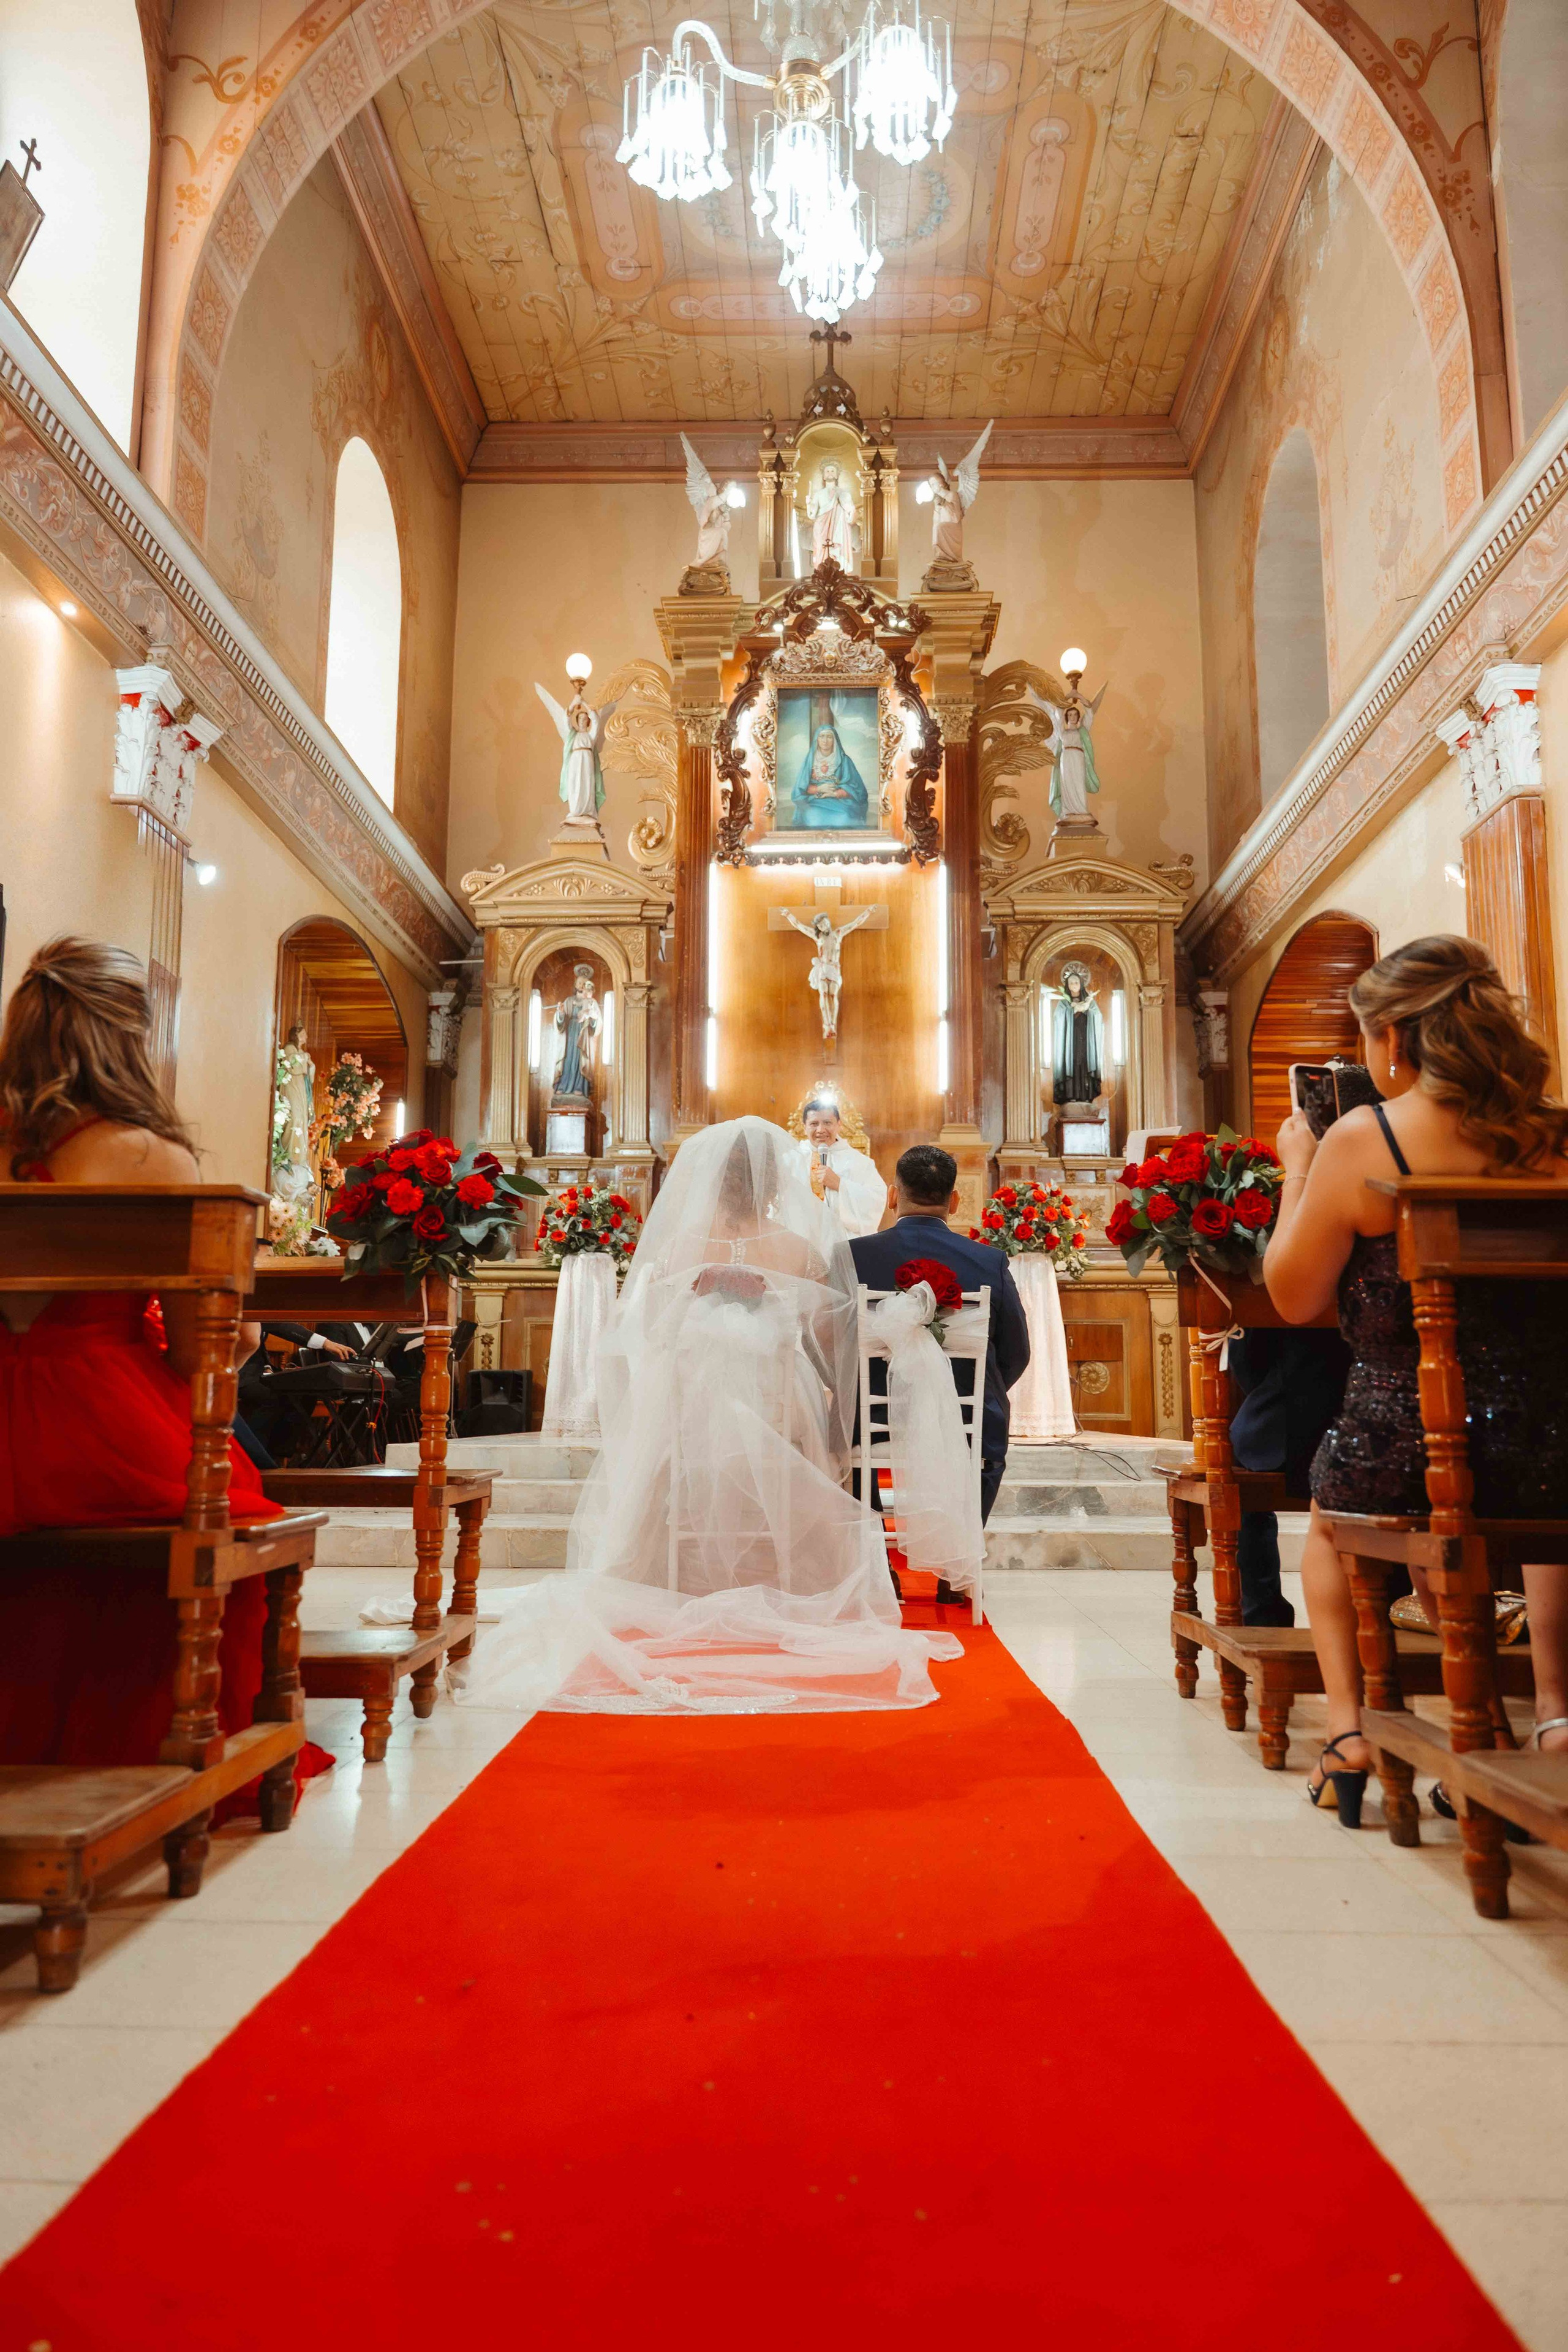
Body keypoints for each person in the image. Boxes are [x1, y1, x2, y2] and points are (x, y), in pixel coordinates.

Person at [461, 1117, 962, 1714]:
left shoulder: (678, 1247)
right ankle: (783, 1565)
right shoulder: (798, 1248)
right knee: (804, 1412)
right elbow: (828, 1344)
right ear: (774, 1182)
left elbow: (652, 1335)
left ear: (708, 1181)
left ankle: (681, 1566)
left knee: (677, 1421)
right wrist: (831, 1398)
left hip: (690, 1416)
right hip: (778, 1416)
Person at [0, 937, 332, 1808]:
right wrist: (242, 1338)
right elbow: (199, 1352)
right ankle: (165, 1742)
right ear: (128, 1037)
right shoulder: (149, 1156)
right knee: (240, 1516)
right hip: (92, 1413)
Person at [1265, 934, 1568, 1824]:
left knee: (1333, 1520)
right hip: (1551, 1441)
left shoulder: (1368, 1138)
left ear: (1393, 1038)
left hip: (1409, 1444)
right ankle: (1552, 1714)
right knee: (1544, 1513)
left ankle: (1350, 1735)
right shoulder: (1554, 1138)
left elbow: (1292, 1295)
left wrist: (1296, 1169)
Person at [849, 1144, 1030, 1526]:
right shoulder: (989, 1262)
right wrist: (957, 1394)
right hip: (965, 1415)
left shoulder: (851, 1256)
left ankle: (873, 1545)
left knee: (845, 1417)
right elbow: (1017, 1352)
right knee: (991, 1413)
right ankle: (961, 1544)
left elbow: (830, 1341)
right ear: (955, 1201)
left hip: (871, 1415)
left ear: (892, 1196)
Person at [1227, 1327, 1352, 1627]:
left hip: (1282, 1427)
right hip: (1370, 1424)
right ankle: (1388, 1606)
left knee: (1240, 1486)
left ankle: (1262, 1611)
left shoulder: (1274, 1297)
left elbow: (1248, 1360)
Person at [795, 1091, 885, 1238]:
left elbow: (876, 1201)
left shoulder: (861, 1163)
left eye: (827, 1123)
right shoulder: (791, 1160)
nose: (820, 1130)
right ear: (804, 1126)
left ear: (839, 1125)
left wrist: (840, 1185)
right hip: (802, 1241)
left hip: (845, 1242)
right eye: (814, 1124)